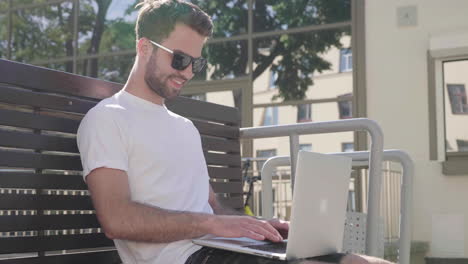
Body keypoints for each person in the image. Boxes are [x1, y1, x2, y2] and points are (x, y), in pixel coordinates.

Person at [77, 1, 393, 264]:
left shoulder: (184, 127)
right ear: (144, 47)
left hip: (220, 249)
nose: (187, 72)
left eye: (195, 64)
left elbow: (211, 205)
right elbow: (116, 218)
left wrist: (254, 226)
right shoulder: (107, 119)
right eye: (180, 59)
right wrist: (213, 225)